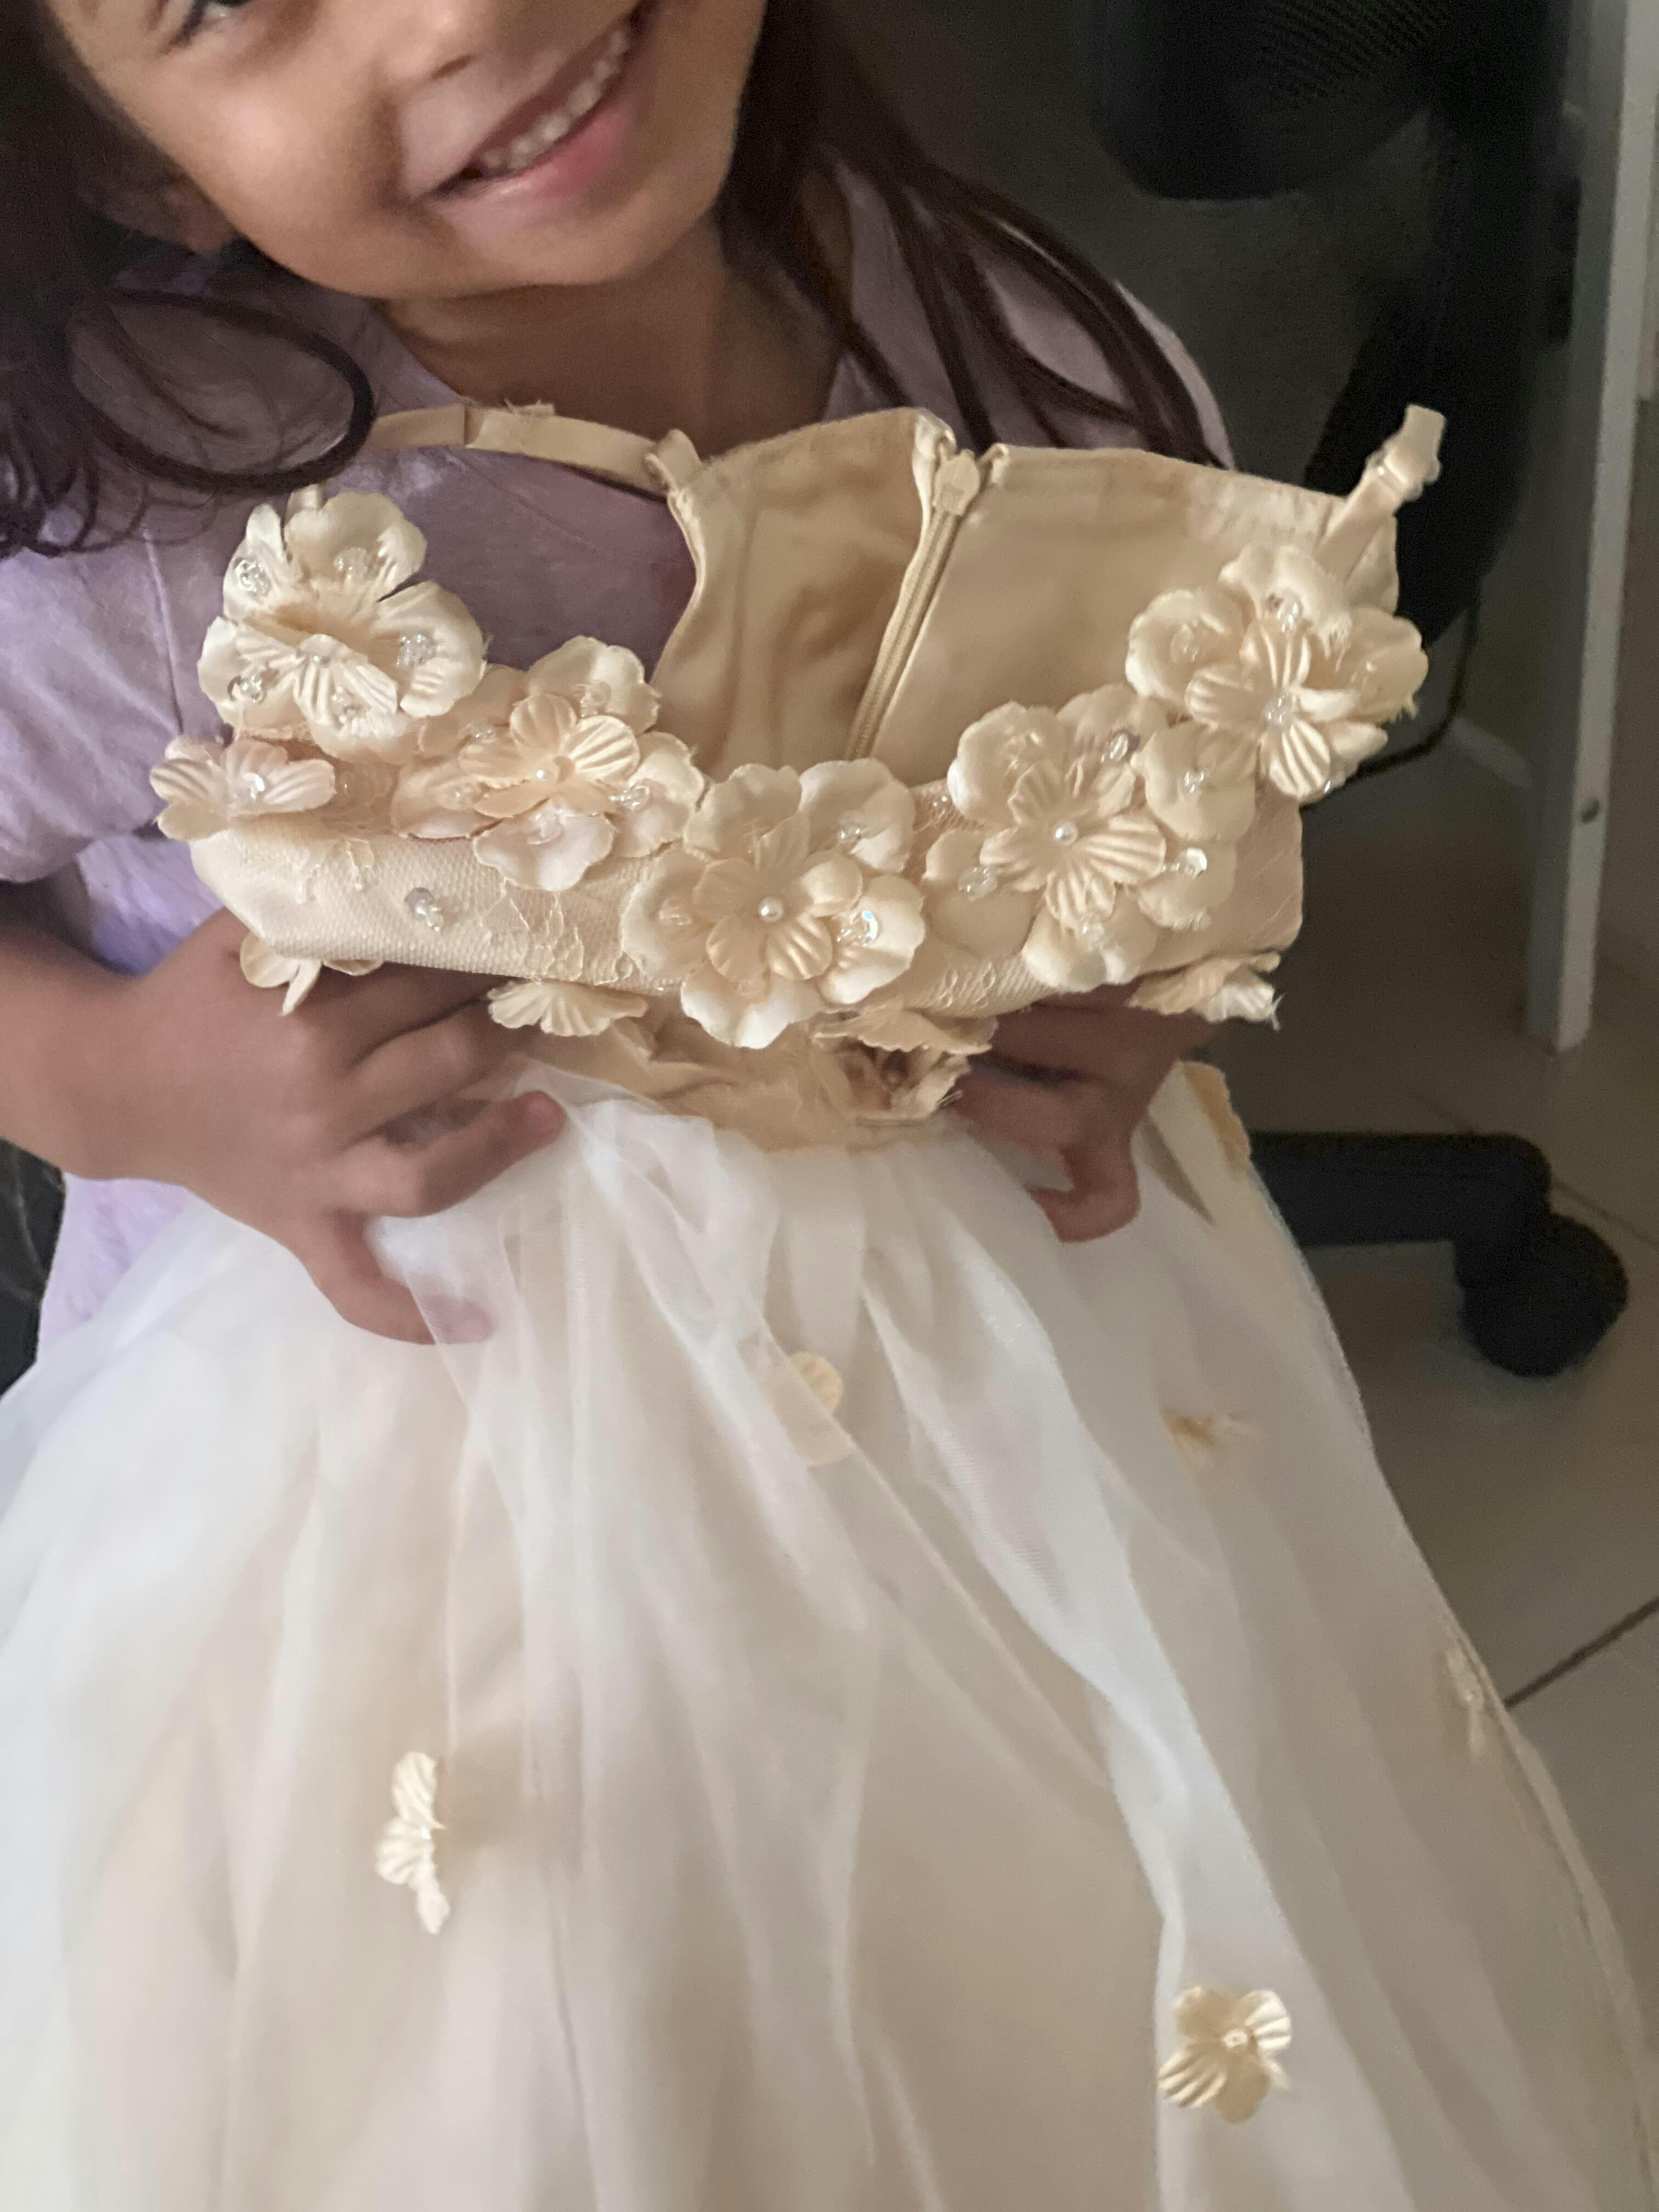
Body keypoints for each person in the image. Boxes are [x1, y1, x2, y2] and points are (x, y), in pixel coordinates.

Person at [0, 0, 1650, 2204]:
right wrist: (115, 1082)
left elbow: (1179, 794)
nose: (458, 10)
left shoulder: (1045, 370)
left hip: (1000, 1413)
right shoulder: (150, 538)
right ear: (135, 156)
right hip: (391, 1536)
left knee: (1013, 1981)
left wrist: (1142, 989)